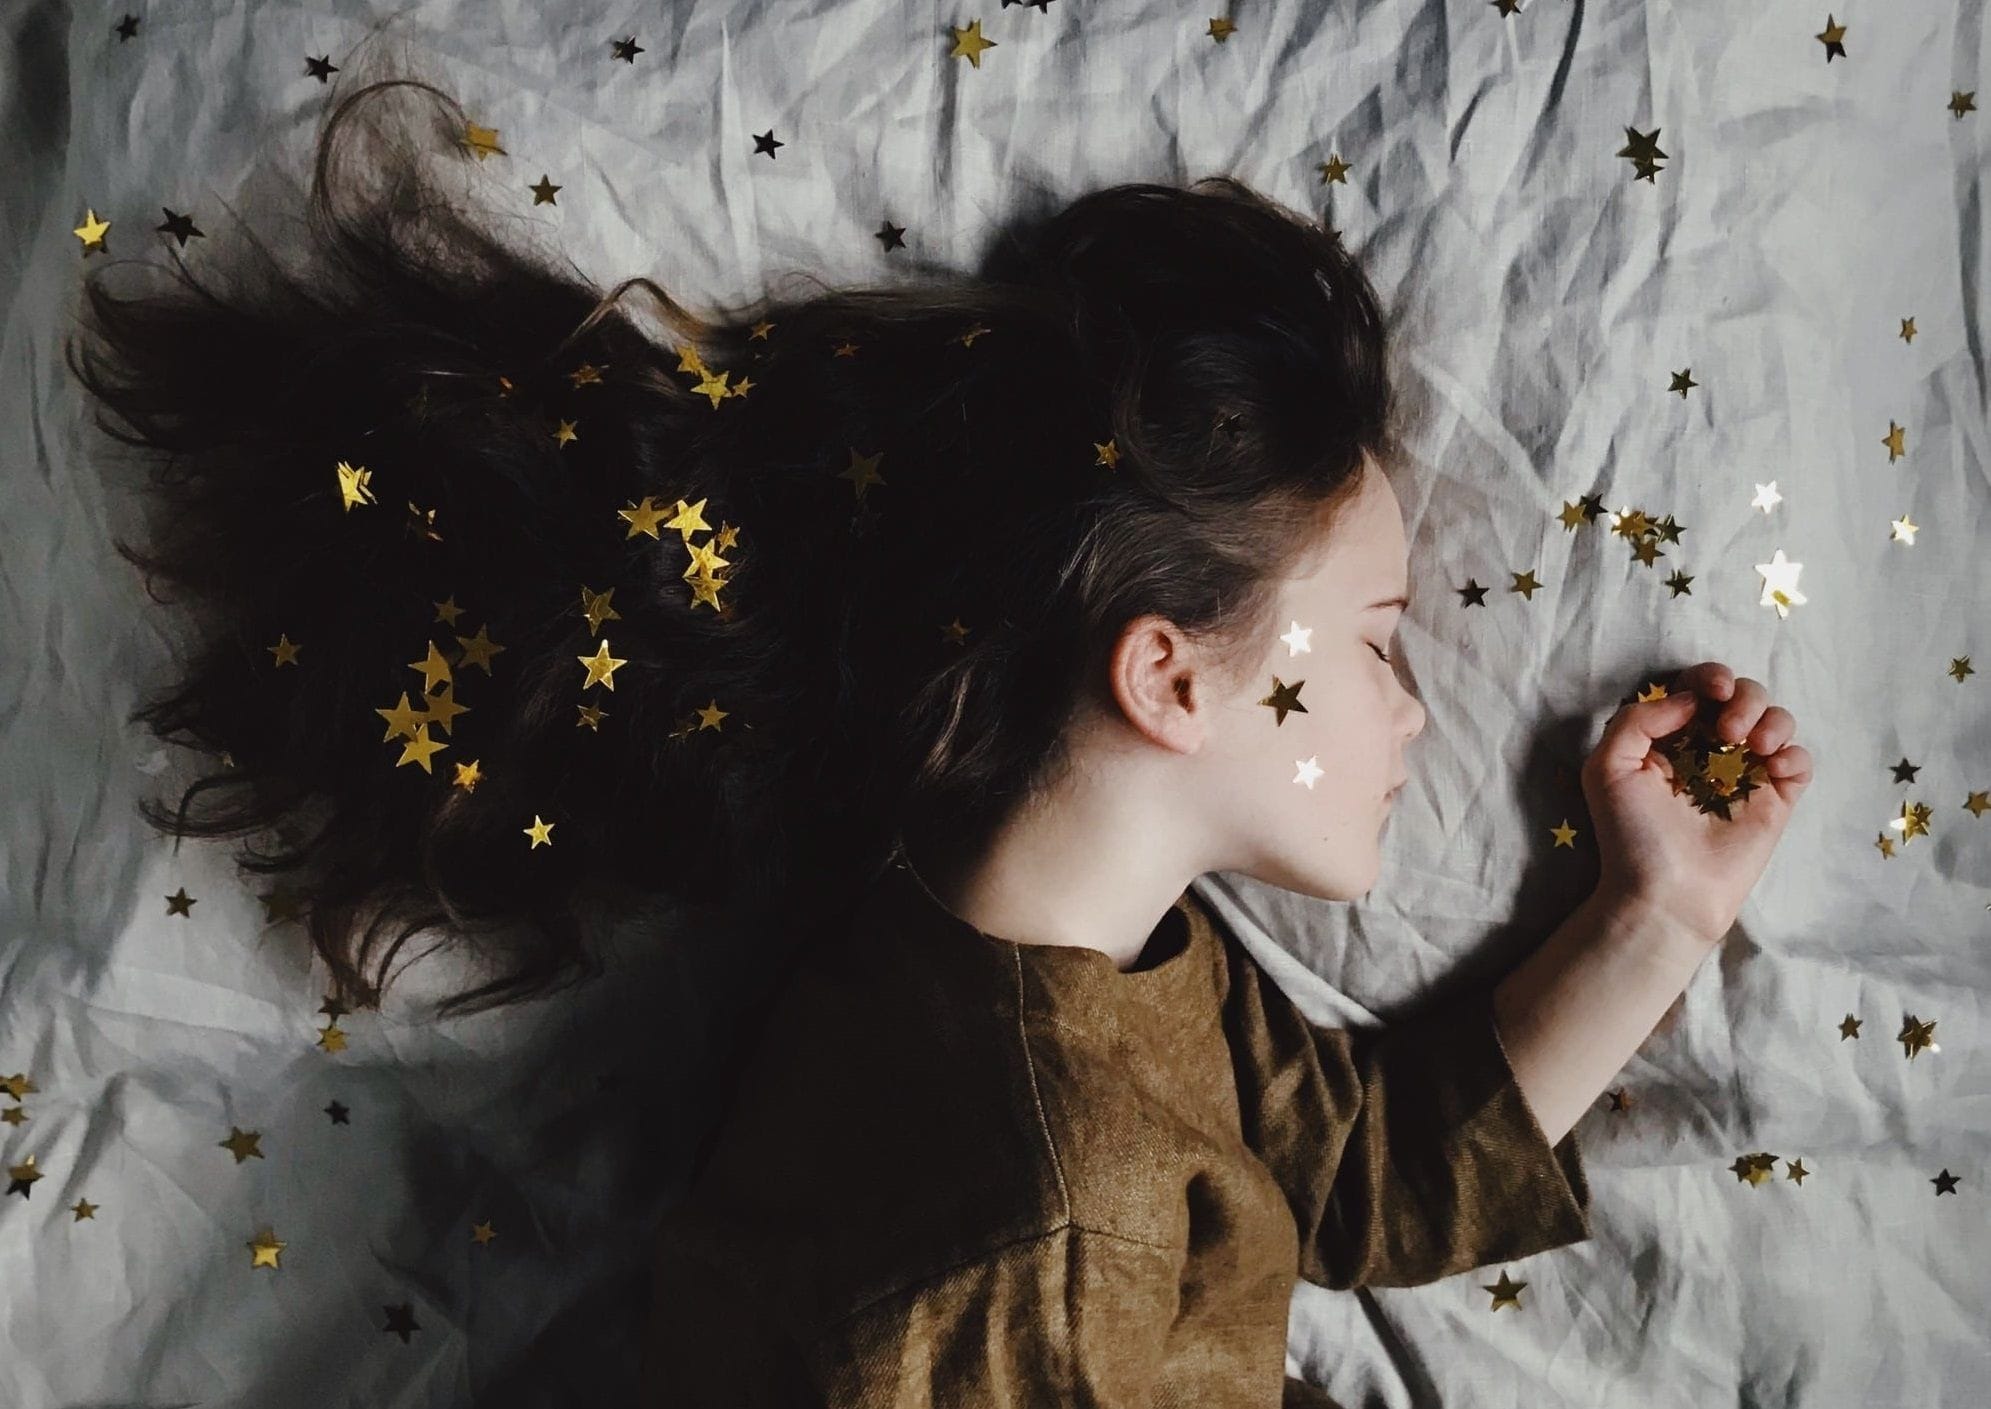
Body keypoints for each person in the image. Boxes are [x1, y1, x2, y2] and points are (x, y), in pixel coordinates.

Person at [67, 58, 1811, 1409]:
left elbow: (1364, 1175)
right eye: (1371, 646)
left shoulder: (1069, 957)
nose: (1421, 711)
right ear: (1172, 677)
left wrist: (1654, 913)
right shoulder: (1036, 1242)